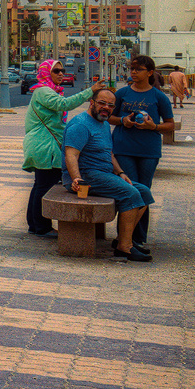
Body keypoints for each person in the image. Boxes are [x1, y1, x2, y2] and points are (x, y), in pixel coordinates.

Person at [64, 86, 155, 261]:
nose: (106, 108)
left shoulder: (104, 123)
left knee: (144, 192)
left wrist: (120, 172)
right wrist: (76, 178)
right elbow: (71, 155)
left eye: (111, 105)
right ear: (91, 103)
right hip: (86, 176)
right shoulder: (80, 125)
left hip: (103, 174)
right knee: (131, 194)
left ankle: (123, 239)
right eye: (102, 103)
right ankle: (124, 248)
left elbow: (109, 153)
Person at [20, 59, 97, 236]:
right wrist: (90, 92)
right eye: (56, 71)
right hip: (44, 145)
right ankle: (42, 226)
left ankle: (35, 224)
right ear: (46, 72)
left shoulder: (50, 90)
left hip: (44, 143)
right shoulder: (43, 91)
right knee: (45, 186)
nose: (61, 73)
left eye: (62, 70)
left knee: (40, 184)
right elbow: (63, 105)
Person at [111, 54, 174, 254]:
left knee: (144, 192)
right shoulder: (122, 94)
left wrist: (152, 126)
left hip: (148, 151)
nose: (134, 72)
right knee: (130, 191)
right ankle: (123, 238)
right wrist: (123, 121)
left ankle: (137, 238)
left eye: (138, 69)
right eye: (132, 69)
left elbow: (170, 125)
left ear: (150, 72)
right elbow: (108, 117)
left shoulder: (159, 97)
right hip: (123, 148)